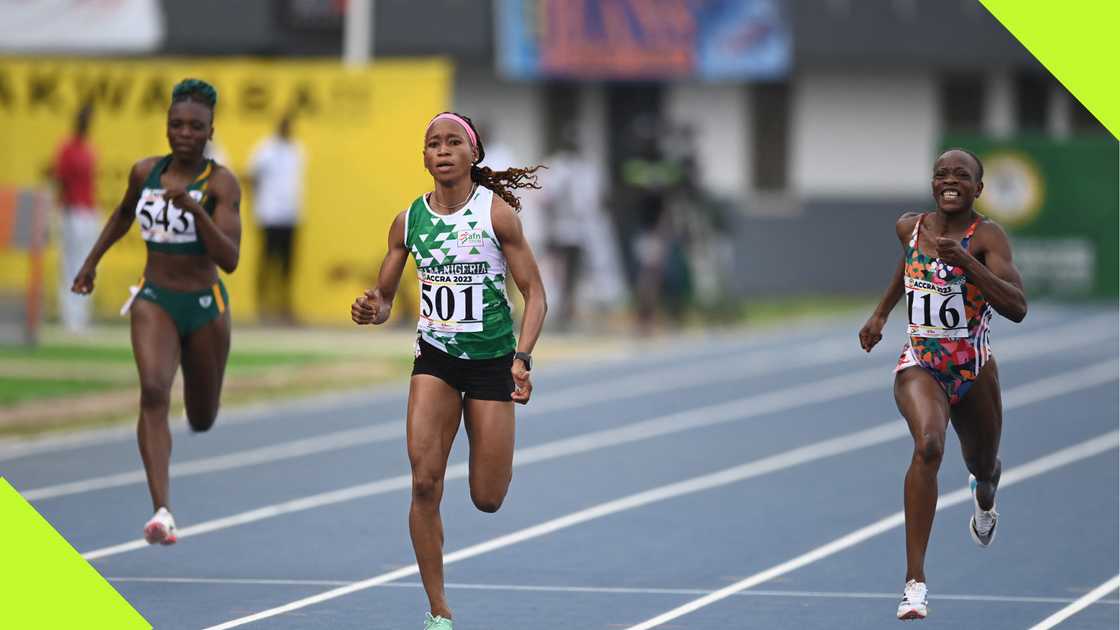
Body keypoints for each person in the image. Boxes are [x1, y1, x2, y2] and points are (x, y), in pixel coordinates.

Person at [350, 112, 547, 630]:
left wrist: (521, 358)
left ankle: (488, 456)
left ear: (472, 153)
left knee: (487, 498)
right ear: (424, 157)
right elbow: (386, 300)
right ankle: (438, 611)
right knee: (423, 484)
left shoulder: (496, 215)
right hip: (434, 361)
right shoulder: (408, 221)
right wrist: (372, 308)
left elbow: (536, 295)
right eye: (432, 143)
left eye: (452, 142)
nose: (442, 150)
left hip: (490, 364)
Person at [858, 148, 1027, 621]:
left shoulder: (987, 236)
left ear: (978, 188)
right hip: (921, 363)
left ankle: (985, 495)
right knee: (928, 445)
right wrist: (880, 313)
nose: (950, 181)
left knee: (984, 464)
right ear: (933, 184)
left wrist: (966, 262)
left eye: (962, 176)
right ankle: (915, 583)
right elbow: (907, 265)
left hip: (973, 369)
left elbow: (1017, 307)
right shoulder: (909, 227)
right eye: (941, 175)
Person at [71, 79, 242, 546]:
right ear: (166, 127)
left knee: (202, 416)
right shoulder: (143, 171)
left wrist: (196, 211)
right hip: (155, 299)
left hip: (205, 306)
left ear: (210, 131)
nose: (184, 133)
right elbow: (123, 215)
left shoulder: (221, 182)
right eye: (176, 124)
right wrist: (90, 263)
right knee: (152, 390)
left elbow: (230, 259)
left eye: (195, 126)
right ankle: (162, 511)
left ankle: (201, 404)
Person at [48, 104, 100, 332]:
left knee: (87, 264)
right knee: (69, 265)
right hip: (71, 212)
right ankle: (70, 317)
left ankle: (81, 315)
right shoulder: (67, 149)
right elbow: (60, 181)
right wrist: (60, 211)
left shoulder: (89, 149)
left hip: (88, 211)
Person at [247, 113, 304, 321]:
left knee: (288, 265)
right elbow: (251, 177)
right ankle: (261, 305)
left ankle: (284, 307)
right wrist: (256, 207)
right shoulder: (265, 150)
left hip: (291, 215)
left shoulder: (297, 149)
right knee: (266, 262)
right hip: (269, 215)